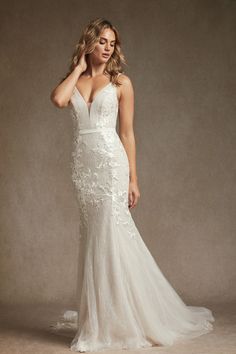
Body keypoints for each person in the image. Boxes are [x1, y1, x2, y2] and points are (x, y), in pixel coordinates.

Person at [49, 17, 214, 353]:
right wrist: (79, 66)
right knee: (94, 238)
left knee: (111, 236)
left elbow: (126, 133)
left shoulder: (122, 82)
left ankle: (122, 321)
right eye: (102, 42)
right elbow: (58, 99)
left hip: (111, 165)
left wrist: (133, 178)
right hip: (84, 169)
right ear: (90, 43)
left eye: (112, 42)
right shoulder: (76, 81)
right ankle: (99, 318)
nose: (108, 48)